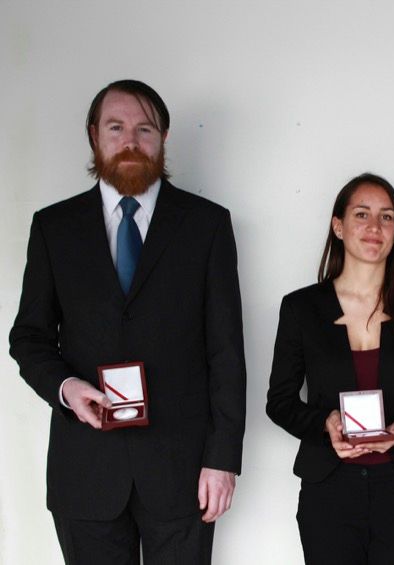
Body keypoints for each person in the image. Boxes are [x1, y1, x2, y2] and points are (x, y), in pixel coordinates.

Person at [9, 79, 246, 564]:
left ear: (163, 138)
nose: (132, 141)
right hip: (86, 471)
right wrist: (67, 389)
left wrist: (222, 460)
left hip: (182, 473)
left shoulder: (207, 225)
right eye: (117, 127)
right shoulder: (54, 228)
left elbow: (226, 352)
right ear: (94, 134)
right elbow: (29, 338)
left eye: (145, 129)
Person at [266, 173, 394, 565]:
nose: (374, 227)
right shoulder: (301, 309)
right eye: (362, 214)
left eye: (387, 217)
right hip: (328, 489)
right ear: (338, 226)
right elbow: (278, 402)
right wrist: (324, 423)